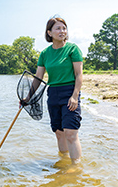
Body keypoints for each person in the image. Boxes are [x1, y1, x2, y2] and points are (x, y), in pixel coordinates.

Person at [35, 17, 83, 164]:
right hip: (53, 94)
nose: (62, 31)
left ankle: (76, 167)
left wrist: (74, 96)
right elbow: (38, 78)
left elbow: (79, 74)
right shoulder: (44, 54)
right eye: (58, 28)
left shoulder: (73, 49)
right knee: (59, 133)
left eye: (64, 28)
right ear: (49, 32)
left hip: (69, 92)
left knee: (70, 133)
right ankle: (63, 163)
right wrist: (27, 98)